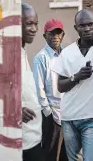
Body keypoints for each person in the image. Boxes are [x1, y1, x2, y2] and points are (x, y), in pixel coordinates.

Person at [51, 9, 93, 161]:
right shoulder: (67, 53)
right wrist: (77, 76)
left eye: (90, 24)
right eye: (82, 25)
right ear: (76, 28)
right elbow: (60, 86)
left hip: (92, 118)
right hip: (69, 119)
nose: (87, 28)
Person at [32, 19, 68, 161]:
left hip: (68, 113)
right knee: (49, 153)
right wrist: (48, 113)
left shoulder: (67, 55)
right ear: (44, 36)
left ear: (63, 35)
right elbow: (38, 88)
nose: (55, 37)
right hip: (51, 114)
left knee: (66, 153)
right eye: (51, 33)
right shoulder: (40, 58)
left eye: (58, 33)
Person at [21, 2, 45, 161]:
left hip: (34, 136)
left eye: (36, 24)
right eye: (29, 23)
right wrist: (14, 109)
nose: (34, 29)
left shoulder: (22, 52)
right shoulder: (7, 55)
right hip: (22, 143)